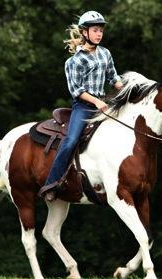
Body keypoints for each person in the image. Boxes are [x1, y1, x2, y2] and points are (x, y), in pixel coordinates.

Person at [39, 10, 123, 201]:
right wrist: (97, 101)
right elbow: (77, 90)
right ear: (84, 33)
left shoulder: (105, 53)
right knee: (70, 141)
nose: (99, 34)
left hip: (104, 104)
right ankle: (52, 184)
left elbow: (113, 78)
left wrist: (128, 91)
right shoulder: (74, 61)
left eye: (101, 30)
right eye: (95, 30)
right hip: (84, 107)